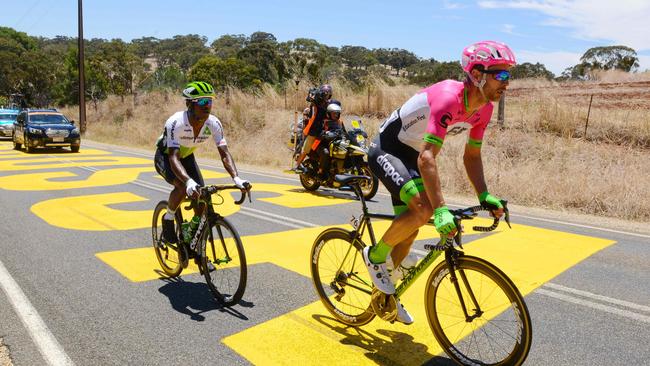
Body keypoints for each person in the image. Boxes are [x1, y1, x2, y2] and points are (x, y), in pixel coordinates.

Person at [363, 41, 516, 325]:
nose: (507, 83)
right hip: (388, 149)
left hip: (414, 155)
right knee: (424, 210)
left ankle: (384, 297)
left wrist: (485, 195)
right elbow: (427, 158)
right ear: (478, 74)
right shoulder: (449, 97)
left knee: (409, 233)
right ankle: (375, 255)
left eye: (509, 75)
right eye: (501, 75)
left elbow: (472, 156)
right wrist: (441, 207)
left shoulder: (483, 110)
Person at [154, 81, 250, 247]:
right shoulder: (176, 122)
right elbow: (174, 158)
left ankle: (195, 243)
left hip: (188, 157)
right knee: (183, 188)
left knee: (202, 197)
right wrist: (188, 181)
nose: (208, 106)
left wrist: (237, 178)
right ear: (190, 104)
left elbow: (225, 153)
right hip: (166, 157)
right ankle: (168, 218)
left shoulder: (213, 123)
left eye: (210, 101)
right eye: (203, 102)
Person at [294, 84, 333, 171]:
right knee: (305, 149)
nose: (327, 96)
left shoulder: (327, 104)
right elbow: (313, 118)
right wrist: (306, 130)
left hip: (322, 130)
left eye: (328, 94)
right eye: (325, 94)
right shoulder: (315, 104)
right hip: (314, 131)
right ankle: (297, 165)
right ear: (321, 94)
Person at [315, 101, 344, 178]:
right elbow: (319, 133)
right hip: (320, 143)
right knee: (325, 153)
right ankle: (320, 173)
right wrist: (325, 134)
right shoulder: (323, 121)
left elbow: (344, 132)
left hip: (333, 144)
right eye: (334, 113)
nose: (336, 115)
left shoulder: (339, 122)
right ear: (329, 113)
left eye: (337, 113)